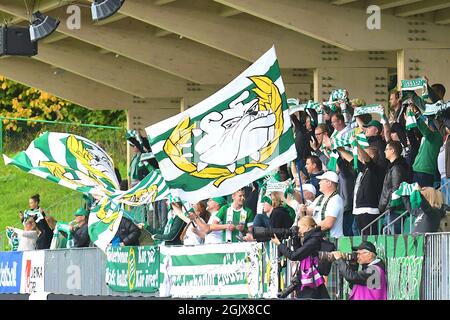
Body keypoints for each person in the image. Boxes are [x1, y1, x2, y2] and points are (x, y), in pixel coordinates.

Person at [271, 216, 330, 299]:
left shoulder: (313, 240)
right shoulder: (310, 238)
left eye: (299, 227)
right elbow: (299, 253)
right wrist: (295, 237)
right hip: (310, 281)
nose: (298, 230)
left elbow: (294, 256)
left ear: (307, 227)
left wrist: (279, 244)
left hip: (311, 281)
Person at [338, 146, 385, 235]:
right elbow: (351, 159)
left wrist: (357, 145)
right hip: (358, 210)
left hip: (368, 211)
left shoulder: (376, 169)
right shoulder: (363, 169)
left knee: (368, 239)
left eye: (360, 154)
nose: (358, 156)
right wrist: (339, 149)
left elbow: (367, 160)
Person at [299, 171, 344, 238]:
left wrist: (309, 229)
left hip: (333, 242)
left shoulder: (335, 200)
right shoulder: (320, 197)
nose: (319, 183)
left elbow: (328, 223)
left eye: (321, 181)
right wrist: (303, 210)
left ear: (329, 183)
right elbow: (308, 212)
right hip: (321, 240)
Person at [379, 141, 410, 234]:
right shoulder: (393, 167)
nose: (384, 151)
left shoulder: (396, 168)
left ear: (392, 150)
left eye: (386, 149)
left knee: (393, 241)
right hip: (392, 210)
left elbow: (396, 190)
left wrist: (388, 207)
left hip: (394, 211)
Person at [410, 105, 443, 187]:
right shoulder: (434, 135)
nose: (427, 123)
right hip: (421, 171)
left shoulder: (436, 135)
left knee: (420, 198)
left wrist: (416, 115)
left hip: (424, 172)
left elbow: (424, 128)